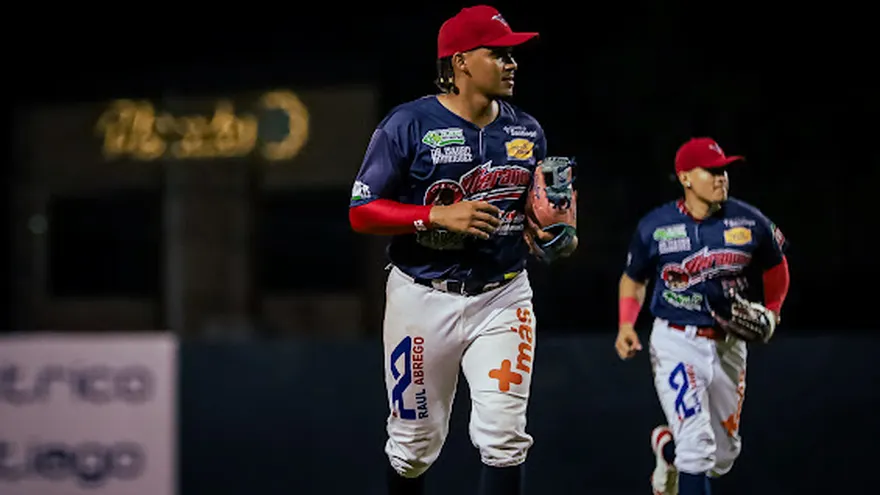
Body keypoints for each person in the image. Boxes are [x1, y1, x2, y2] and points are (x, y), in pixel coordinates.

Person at [348, 5, 577, 494]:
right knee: (413, 447)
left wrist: (545, 229)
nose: (512, 63)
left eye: (513, 54)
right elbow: (361, 210)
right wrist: (432, 215)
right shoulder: (408, 124)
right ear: (459, 63)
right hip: (422, 295)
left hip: (503, 295)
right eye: (498, 53)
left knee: (505, 436)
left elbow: (533, 210)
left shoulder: (526, 130)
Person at [614, 137, 790, 495]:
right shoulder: (656, 226)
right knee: (697, 446)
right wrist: (626, 324)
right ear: (685, 178)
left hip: (729, 343)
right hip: (676, 340)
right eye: (710, 171)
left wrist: (773, 312)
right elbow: (634, 279)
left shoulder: (750, 220)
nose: (721, 177)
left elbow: (776, 266)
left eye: (724, 169)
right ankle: (681, 450)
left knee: (722, 457)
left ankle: (668, 449)